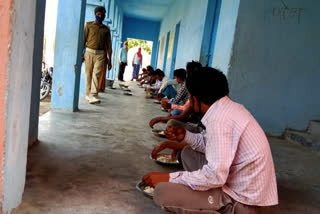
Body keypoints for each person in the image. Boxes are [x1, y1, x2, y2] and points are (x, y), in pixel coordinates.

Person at [142, 66, 278, 213]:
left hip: (243, 201)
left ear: (194, 99)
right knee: (188, 153)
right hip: (241, 186)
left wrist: (169, 178)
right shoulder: (227, 108)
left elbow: (215, 176)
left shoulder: (219, 119)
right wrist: (186, 136)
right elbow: (213, 146)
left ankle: (225, 208)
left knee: (163, 192)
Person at [83, 6, 112, 104]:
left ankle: (93, 95)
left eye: (102, 14)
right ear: (95, 14)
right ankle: (88, 94)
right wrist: (81, 54)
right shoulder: (88, 25)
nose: (100, 16)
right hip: (89, 52)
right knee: (88, 74)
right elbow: (83, 40)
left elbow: (109, 45)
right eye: (98, 14)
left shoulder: (106, 29)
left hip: (100, 54)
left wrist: (110, 60)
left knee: (96, 74)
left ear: (104, 15)